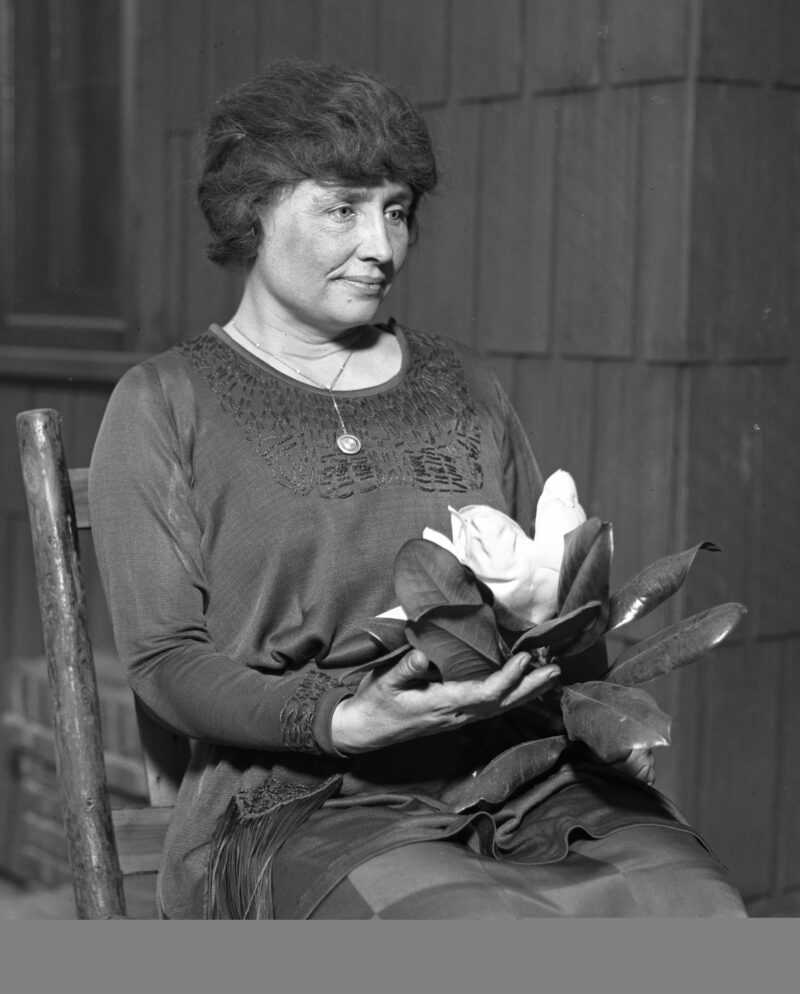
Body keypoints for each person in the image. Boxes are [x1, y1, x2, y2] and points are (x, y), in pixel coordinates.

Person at [89, 59, 747, 919]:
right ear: (252, 209)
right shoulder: (166, 402)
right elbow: (163, 660)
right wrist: (340, 721)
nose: (382, 246)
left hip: (520, 770)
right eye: (343, 208)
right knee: (469, 946)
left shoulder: (462, 382)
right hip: (307, 798)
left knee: (701, 920)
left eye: (397, 211)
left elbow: (538, 597)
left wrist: (584, 683)